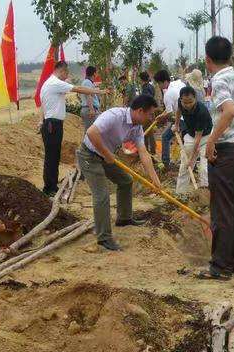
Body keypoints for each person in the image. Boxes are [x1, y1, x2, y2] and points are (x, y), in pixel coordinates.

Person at [76, 94, 162, 252]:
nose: (151, 118)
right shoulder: (114, 116)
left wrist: (154, 178)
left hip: (107, 156)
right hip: (89, 155)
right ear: (141, 111)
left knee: (126, 180)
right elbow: (91, 132)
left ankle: (124, 218)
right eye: (150, 114)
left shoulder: (137, 128)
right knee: (101, 195)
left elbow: (143, 152)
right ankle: (104, 238)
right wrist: (108, 155)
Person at [198, 36, 234, 281]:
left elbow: (228, 111)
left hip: (227, 153)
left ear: (207, 59)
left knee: (222, 210)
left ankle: (220, 267)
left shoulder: (218, 80)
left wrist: (210, 141)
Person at [39, 61, 106, 197]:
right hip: (52, 124)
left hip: (51, 123)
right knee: (52, 156)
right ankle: (49, 188)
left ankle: (51, 185)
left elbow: (42, 104)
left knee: (53, 155)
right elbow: (78, 89)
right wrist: (99, 91)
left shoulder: (49, 83)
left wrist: (40, 120)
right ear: (62, 71)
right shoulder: (55, 83)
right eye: (66, 73)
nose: (67, 76)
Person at [173, 86, 212, 195]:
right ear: (181, 99)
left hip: (205, 138)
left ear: (195, 98)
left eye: (190, 102)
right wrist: (176, 125)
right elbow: (178, 111)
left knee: (205, 168)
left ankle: (205, 194)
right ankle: (180, 194)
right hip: (190, 136)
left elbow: (198, 138)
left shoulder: (201, 112)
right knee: (184, 167)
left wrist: (191, 158)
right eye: (185, 102)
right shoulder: (181, 103)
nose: (188, 105)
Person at [153, 69, 187, 167]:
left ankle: (165, 162)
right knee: (186, 140)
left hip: (182, 118)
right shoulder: (178, 83)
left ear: (163, 82)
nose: (158, 86)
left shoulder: (168, 94)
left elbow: (169, 113)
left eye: (159, 84)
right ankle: (188, 162)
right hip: (190, 116)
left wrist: (161, 117)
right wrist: (163, 114)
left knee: (165, 137)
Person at [80, 66, 104, 131]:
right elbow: (88, 95)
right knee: (90, 131)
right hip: (89, 109)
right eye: (96, 72)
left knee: (92, 130)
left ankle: (87, 141)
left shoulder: (89, 82)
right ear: (94, 73)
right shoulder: (87, 82)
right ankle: (85, 141)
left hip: (90, 108)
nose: (97, 74)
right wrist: (91, 109)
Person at [139, 71, 157, 157]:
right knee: (149, 131)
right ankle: (151, 149)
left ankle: (148, 150)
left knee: (146, 132)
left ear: (141, 79)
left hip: (147, 113)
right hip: (150, 112)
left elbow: (148, 101)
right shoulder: (151, 87)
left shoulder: (146, 88)